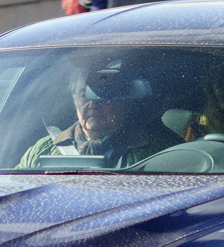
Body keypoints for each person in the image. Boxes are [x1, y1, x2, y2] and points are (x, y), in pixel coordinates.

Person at [17, 65, 180, 169]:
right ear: (74, 100)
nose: (93, 104)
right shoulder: (42, 150)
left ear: (126, 102)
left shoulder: (162, 151)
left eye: (105, 96)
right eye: (84, 95)